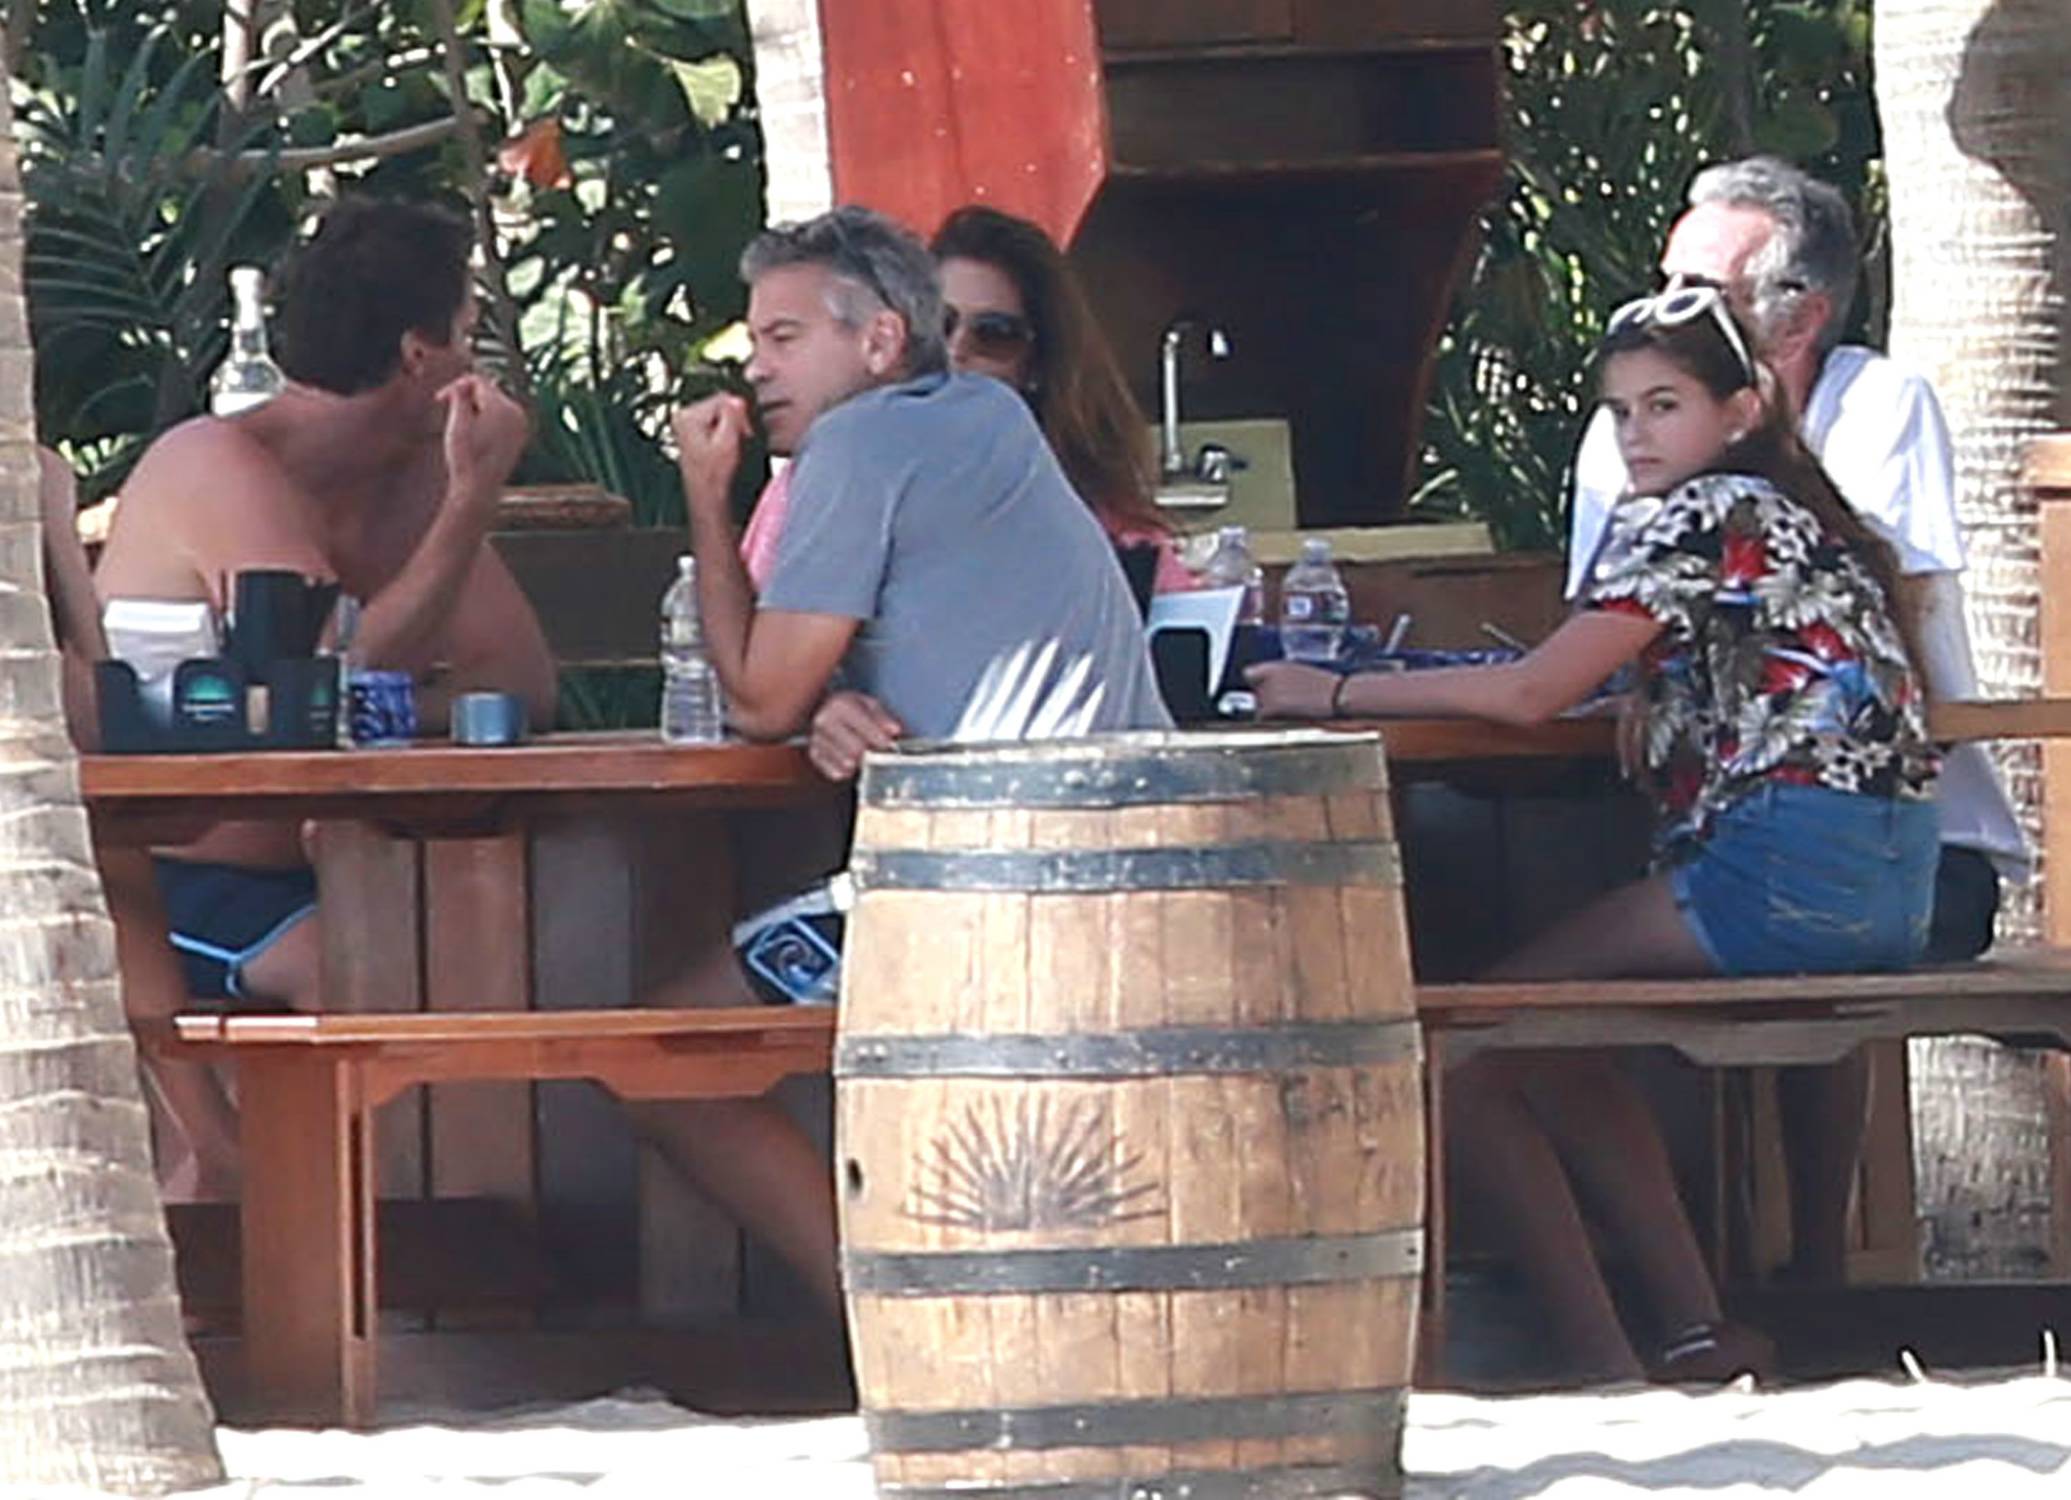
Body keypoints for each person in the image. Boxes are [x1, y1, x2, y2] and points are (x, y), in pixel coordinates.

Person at [95, 200, 841, 1308]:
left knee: (516, 947)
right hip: (163, 880)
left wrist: (396, 644)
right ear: (421, 354)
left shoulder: (404, 481)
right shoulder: (216, 460)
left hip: (317, 868)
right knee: (365, 975)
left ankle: (512, 1277)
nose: (483, 356)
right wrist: (468, 507)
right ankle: (270, 1236)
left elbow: (518, 684)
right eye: (470, 328)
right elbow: (326, 683)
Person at [1252, 288, 1939, 1381]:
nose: (1637, 435)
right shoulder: (1802, 515)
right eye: (1620, 412)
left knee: (1470, 1051)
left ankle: (1605, 1362)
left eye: (1664, 405)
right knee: (1548, 1035)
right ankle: (1695, 1330)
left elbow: (1531, 694)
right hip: (1896, 886)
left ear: (1743, 406)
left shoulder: (1702, 511)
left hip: (1781, 868)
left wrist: (1327, 692)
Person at [1568, 156, 2028, 1280]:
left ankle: (1792, 1276)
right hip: (1716, 816)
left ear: (1797, 316)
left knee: (1762, 910)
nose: (1664, 312)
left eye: (1699, 291)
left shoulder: (1870, 407)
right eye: (1661, 284)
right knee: (1613, 927)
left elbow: (1883, 608)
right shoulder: (1633, 426)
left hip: (1910, 847)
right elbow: (1599, 630)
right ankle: (1724, 1282)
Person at [670, 204, 1170, 787]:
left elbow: (760, 708)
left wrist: (706, 492)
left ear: (881, 340)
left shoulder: (856, 439)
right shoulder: (992, 412)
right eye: (756, 343)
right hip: (1142, 823)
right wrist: (828, 700)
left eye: (785, 338)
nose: (757, 370)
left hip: (1014, 844)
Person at [930, 205, 1191, 595]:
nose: (957, 350)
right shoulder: (839, 475)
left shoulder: (1099, 519)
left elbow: (1179, 615)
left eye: (995, 333)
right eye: (938, 322)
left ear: (1037, 365)